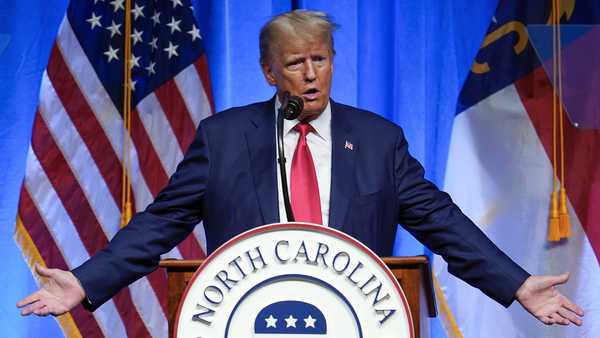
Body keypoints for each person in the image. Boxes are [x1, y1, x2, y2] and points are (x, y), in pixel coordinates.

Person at [18, 10, 583, 327]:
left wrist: (518, 284)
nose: (311, 75)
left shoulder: (379, 140)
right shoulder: (225, 138)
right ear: (269, 72)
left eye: (321, 59)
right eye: (296, 63)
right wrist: (86, 280)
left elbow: (443, 223)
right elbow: (160, 224)